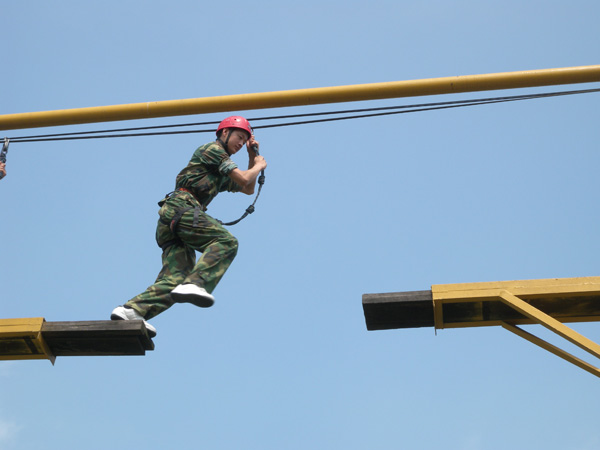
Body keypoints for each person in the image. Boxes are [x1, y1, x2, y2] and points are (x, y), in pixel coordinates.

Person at [110, 116, 267, 337]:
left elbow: (248, 188)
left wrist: (252, 155)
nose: (240, 143)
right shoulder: (211, 150)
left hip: (173, 217)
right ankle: (197, 283)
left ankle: (132, 311)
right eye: (239, 137)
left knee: (176, 277)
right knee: (226, 242)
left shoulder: (218, 172)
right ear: (224, 133)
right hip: (181, 208)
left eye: (244, 140)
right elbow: (243, 178)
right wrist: (259, 165)